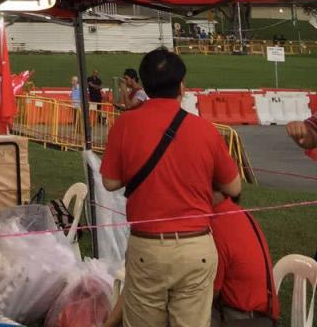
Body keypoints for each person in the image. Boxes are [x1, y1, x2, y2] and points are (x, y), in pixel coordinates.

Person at [101, 47, 241, 327]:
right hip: (196, 246)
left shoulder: (125, 124)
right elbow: (234, 187)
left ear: (144, 84)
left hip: (148, 247)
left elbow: (110, 181)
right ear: (182, 86)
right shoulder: (205, 129)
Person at [103, 193, 279, 327]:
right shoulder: (236, 214)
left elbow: (203, 292)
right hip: (260, 313)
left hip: (240, 318)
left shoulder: (212, 228)